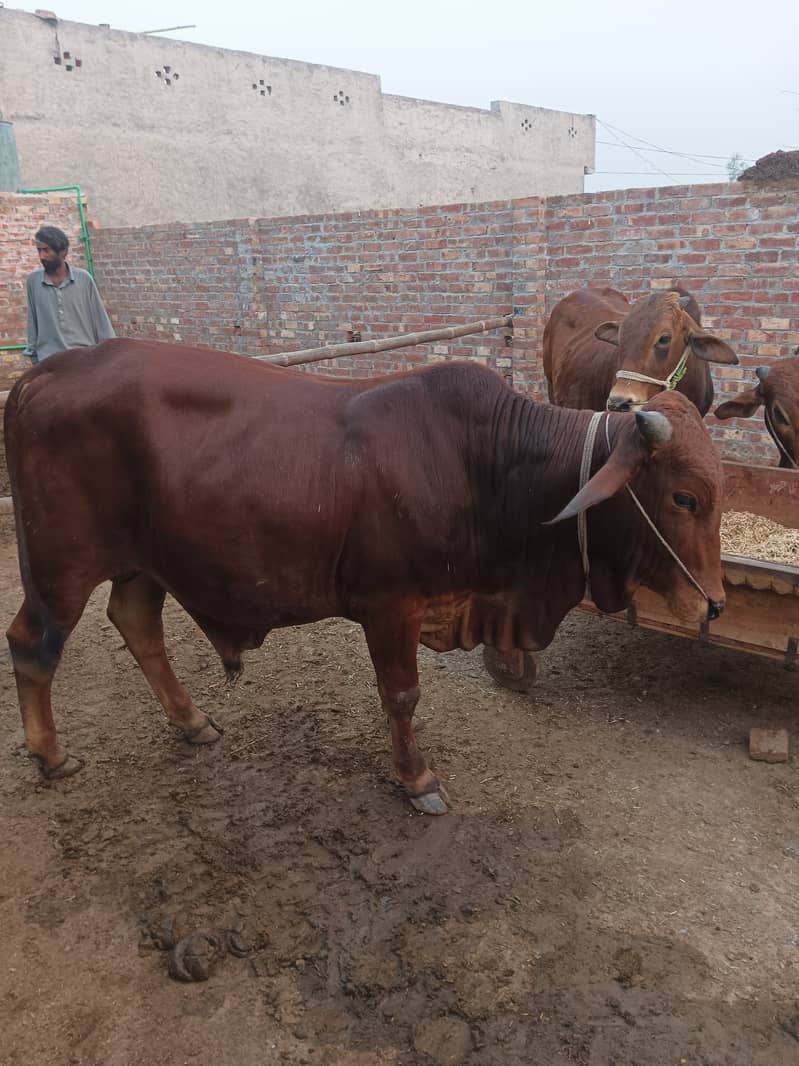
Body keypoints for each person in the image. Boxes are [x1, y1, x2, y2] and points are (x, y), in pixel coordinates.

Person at [24, 225, 115, 363]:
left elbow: (100, 319)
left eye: (46, 250)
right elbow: (32, 320)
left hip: (84, 358)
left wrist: (110, 353)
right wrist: (32, 354)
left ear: (63, 252)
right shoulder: (34, 281)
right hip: (49, 361)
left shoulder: (83, 279)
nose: (42, 256)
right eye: (39, 250)